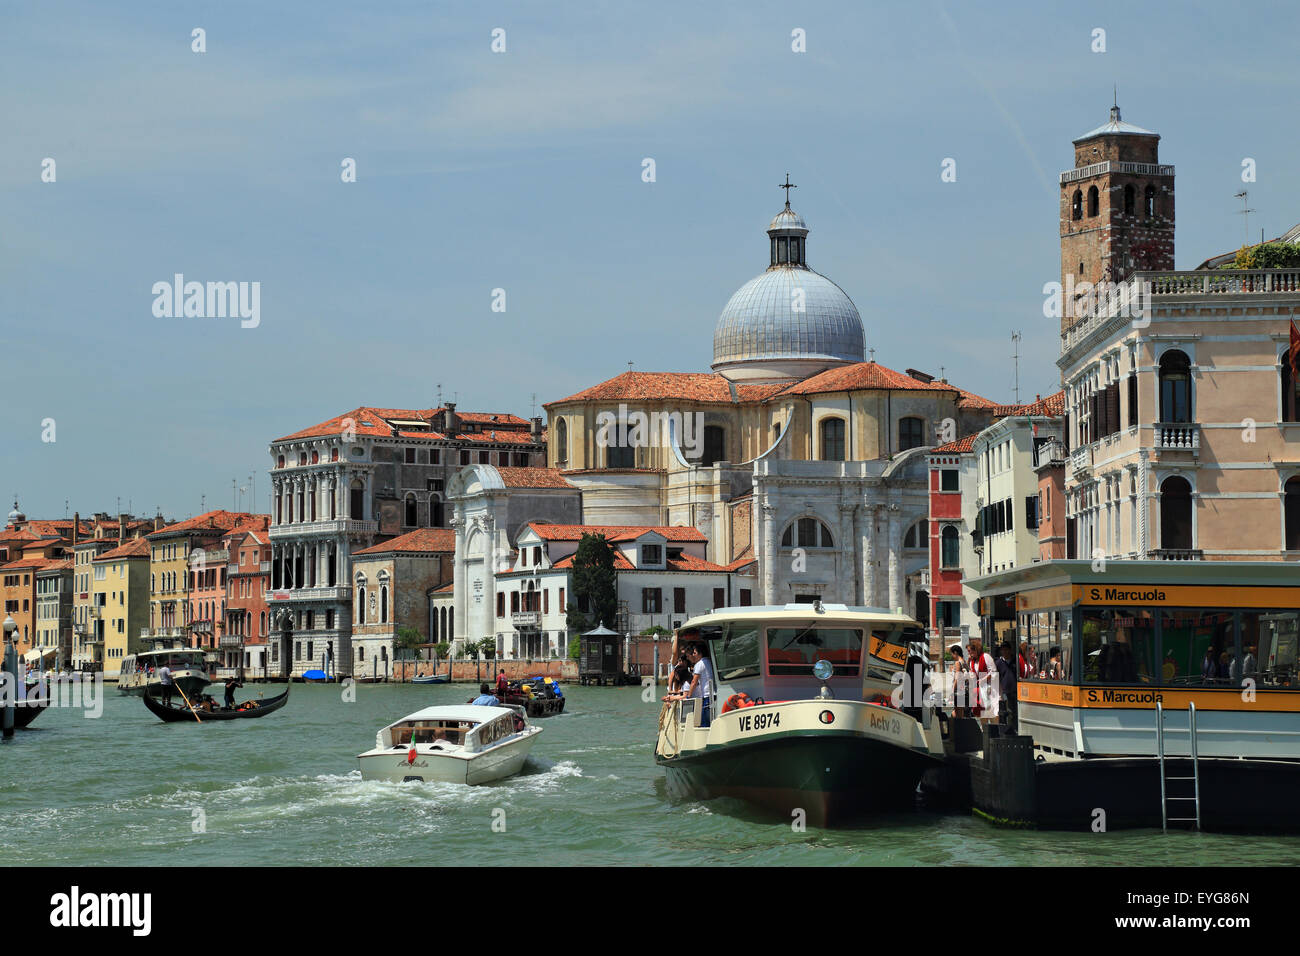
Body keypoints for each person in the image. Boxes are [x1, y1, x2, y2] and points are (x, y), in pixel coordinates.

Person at [966, 638, 997, 723]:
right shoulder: (972, 661)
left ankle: (994, 731)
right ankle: (985, 732)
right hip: (979, 691)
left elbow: (993, 671)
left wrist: (983, 679)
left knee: (991, 712)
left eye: (969, 651)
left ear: (975, 649)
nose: (969, 653)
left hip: (989, 689)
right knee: (982, 714)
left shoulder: (986, 657)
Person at [684, 643, 714, 727]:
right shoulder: (709, 661)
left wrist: (688, 696)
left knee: (704, 722)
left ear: (700, 653)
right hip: (713, 694)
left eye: (695, 653)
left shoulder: (699, 664)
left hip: (707, 696)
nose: (693, 655)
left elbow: (694, 681)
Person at [996, 642, 1018, 732]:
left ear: (1010, 650)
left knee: (1015, 712)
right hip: (1005, 691)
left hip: (1016, 690)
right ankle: (1010, 730)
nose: (1005, 652)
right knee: (1008, 712)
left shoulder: (1015, 661)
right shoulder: (998, 663)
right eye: (1003, 650)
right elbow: (996, 678)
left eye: (1006, 650)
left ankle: (1015, 729)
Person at [948, 645, 968, 717]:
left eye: (952, 654)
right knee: (960, 713)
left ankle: (958, 727)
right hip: (964, 690)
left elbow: (957, 677)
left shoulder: (958, 663)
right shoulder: (964, 662)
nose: (952, 656)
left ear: (955, 652)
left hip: (959, 691)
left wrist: (953, 691)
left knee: (958, 714)